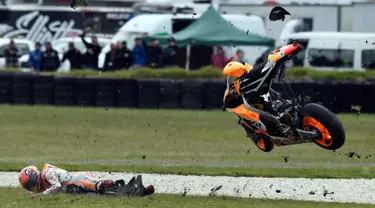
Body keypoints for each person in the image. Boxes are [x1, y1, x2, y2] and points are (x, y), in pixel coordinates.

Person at [18, 163, 154, 195]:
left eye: (32, 184)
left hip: (78, 179)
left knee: (97, 187)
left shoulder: (47, 173)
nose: (33, 188)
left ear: (35, 176)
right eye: (29, 187)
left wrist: (42, 195)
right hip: (75, 187)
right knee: (107, 195)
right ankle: (138, 190)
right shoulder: (43, 181)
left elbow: (58, 186)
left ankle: (102, 185)